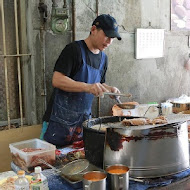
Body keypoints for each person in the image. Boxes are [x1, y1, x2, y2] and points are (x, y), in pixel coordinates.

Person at [42, 14, 122, 147]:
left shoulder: (103, 59)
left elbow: (99, 83)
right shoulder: (73, 50)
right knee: (49, 163)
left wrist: (109, 90)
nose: (109, 42)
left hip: (82, 123)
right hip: (58, 122)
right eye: (107, 35)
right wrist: (88, 87)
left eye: (112, 38)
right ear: (93, 29)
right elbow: (57, 80)